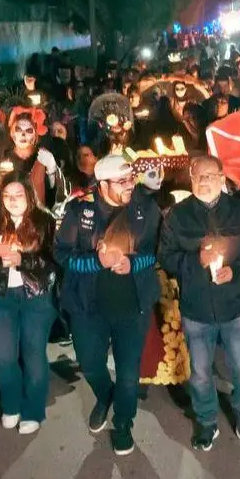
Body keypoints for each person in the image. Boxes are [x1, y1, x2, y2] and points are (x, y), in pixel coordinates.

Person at [158, 156, 240, 451]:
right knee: (200, 372)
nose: (204, 181)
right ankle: (207, 420)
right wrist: (195, 260)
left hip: (234, 306)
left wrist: (237, 271)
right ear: (191, 178)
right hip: (197, 310)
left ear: (222, 177)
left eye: (210, 175)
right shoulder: (177, 216)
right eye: (198, 176)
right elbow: (166, 257)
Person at [53, 155, 162, 456]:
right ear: (102, 185)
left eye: (131, 179)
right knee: (90, 364)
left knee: (128, 373)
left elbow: (155, 251)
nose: (130, 186)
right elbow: (61, 253)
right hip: (88, 307)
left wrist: (132, 263)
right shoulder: (79, 210)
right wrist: (96, 262)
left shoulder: (145, 208)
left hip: (132, 305)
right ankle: (105, 396)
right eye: (122, 181)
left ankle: (123, 422)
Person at [0, 175, 59, 435]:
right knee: (1, 355)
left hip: (36, 296)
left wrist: (23, 260)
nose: (12, 201)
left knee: (33, 354)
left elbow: (55, 261)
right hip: (0, 297)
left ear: (29, 195)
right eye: (7, 195)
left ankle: (33, 410)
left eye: (18, 195)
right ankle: (11, 403)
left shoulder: (45, 221)